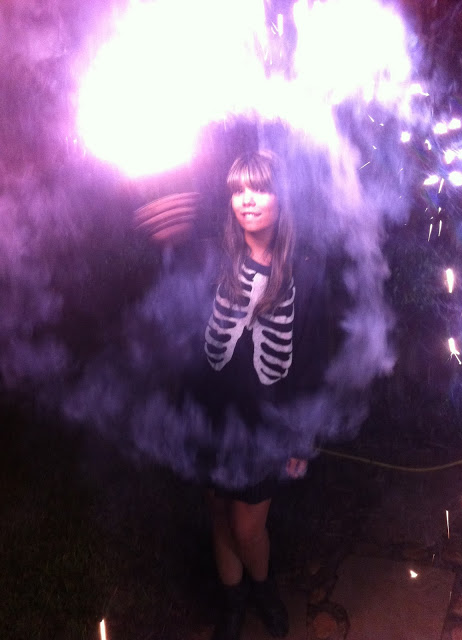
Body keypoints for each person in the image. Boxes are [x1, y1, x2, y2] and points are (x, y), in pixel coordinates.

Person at [135, 150, 332, 640]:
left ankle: (263, 589)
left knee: (248, 526)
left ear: (282, 198)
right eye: (239, 190)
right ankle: (233, 602)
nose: (247, 199)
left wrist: (303, 437)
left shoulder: (307, 271)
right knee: (219, 513)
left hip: (267, 425)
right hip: (210, 414)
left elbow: (313, 359)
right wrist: (168, 245)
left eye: (260, 188)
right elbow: (174, 305)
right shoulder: (210, 257)